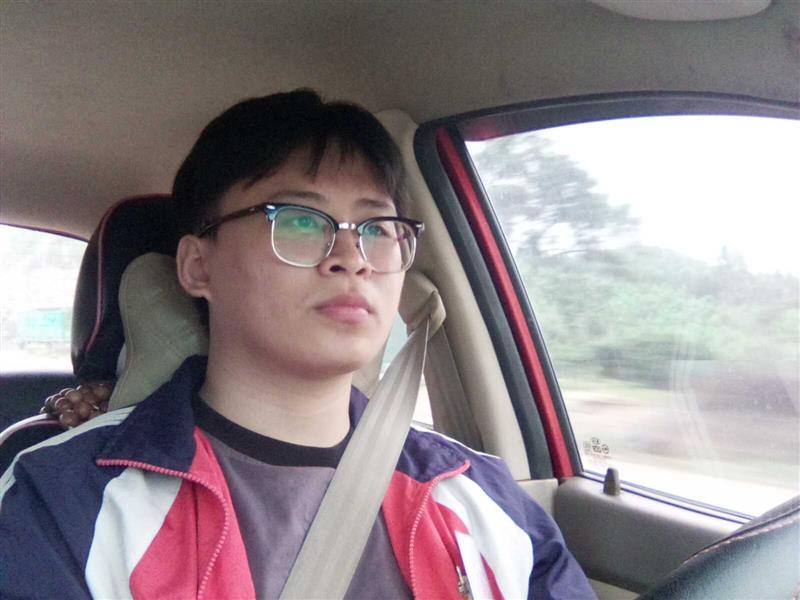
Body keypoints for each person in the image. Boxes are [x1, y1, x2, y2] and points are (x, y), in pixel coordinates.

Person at [0, 90, 595, 599]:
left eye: (378, 228)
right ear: (198, 266)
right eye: (300, 220)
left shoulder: (479, 493)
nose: (352, 258)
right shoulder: (62, 502)